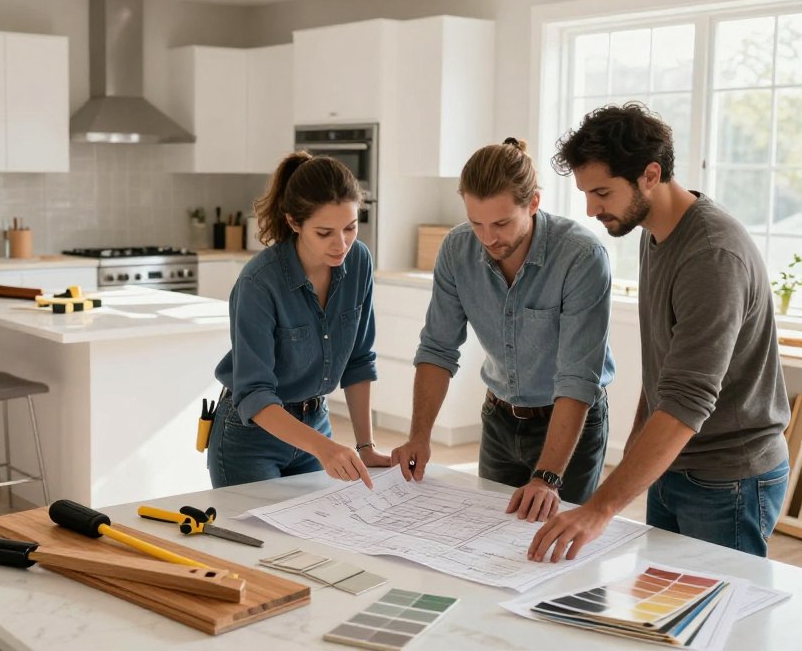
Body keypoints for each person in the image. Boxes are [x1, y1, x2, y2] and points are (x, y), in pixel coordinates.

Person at [530, 102, 791, 562]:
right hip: (675, 465)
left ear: (650, 175)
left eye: (603, 193)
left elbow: (688, 400)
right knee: (663, 613)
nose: (591, 209)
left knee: (716, 621)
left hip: (728, 476)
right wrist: (633, 461)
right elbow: (665, 374)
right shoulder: (656, 233)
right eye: (587, 194)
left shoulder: (711, 255)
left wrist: (600, 508)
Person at [391, 138, 615, 521]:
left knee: (559, 546)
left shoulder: (580, 257)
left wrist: (547, 477)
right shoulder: (456, 250)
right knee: (489, 538)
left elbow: (578, 378)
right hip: (499, 421)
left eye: (501, 223)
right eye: (476, 223)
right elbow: (437, 349)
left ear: (533, 203)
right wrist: (419, 436)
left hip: (569, 424)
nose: (488, 238)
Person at [208, 151, 391, 489]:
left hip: (315, 425)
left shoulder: (359, 261)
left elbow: (358, 360)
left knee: (317, 536)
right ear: (294, 223)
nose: (342, 244)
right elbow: (255, 394)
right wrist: (325, 449)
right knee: (260, 541)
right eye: (325, 233)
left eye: (350, 228)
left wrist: (365, 447)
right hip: (251, 439)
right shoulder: (258, 283)